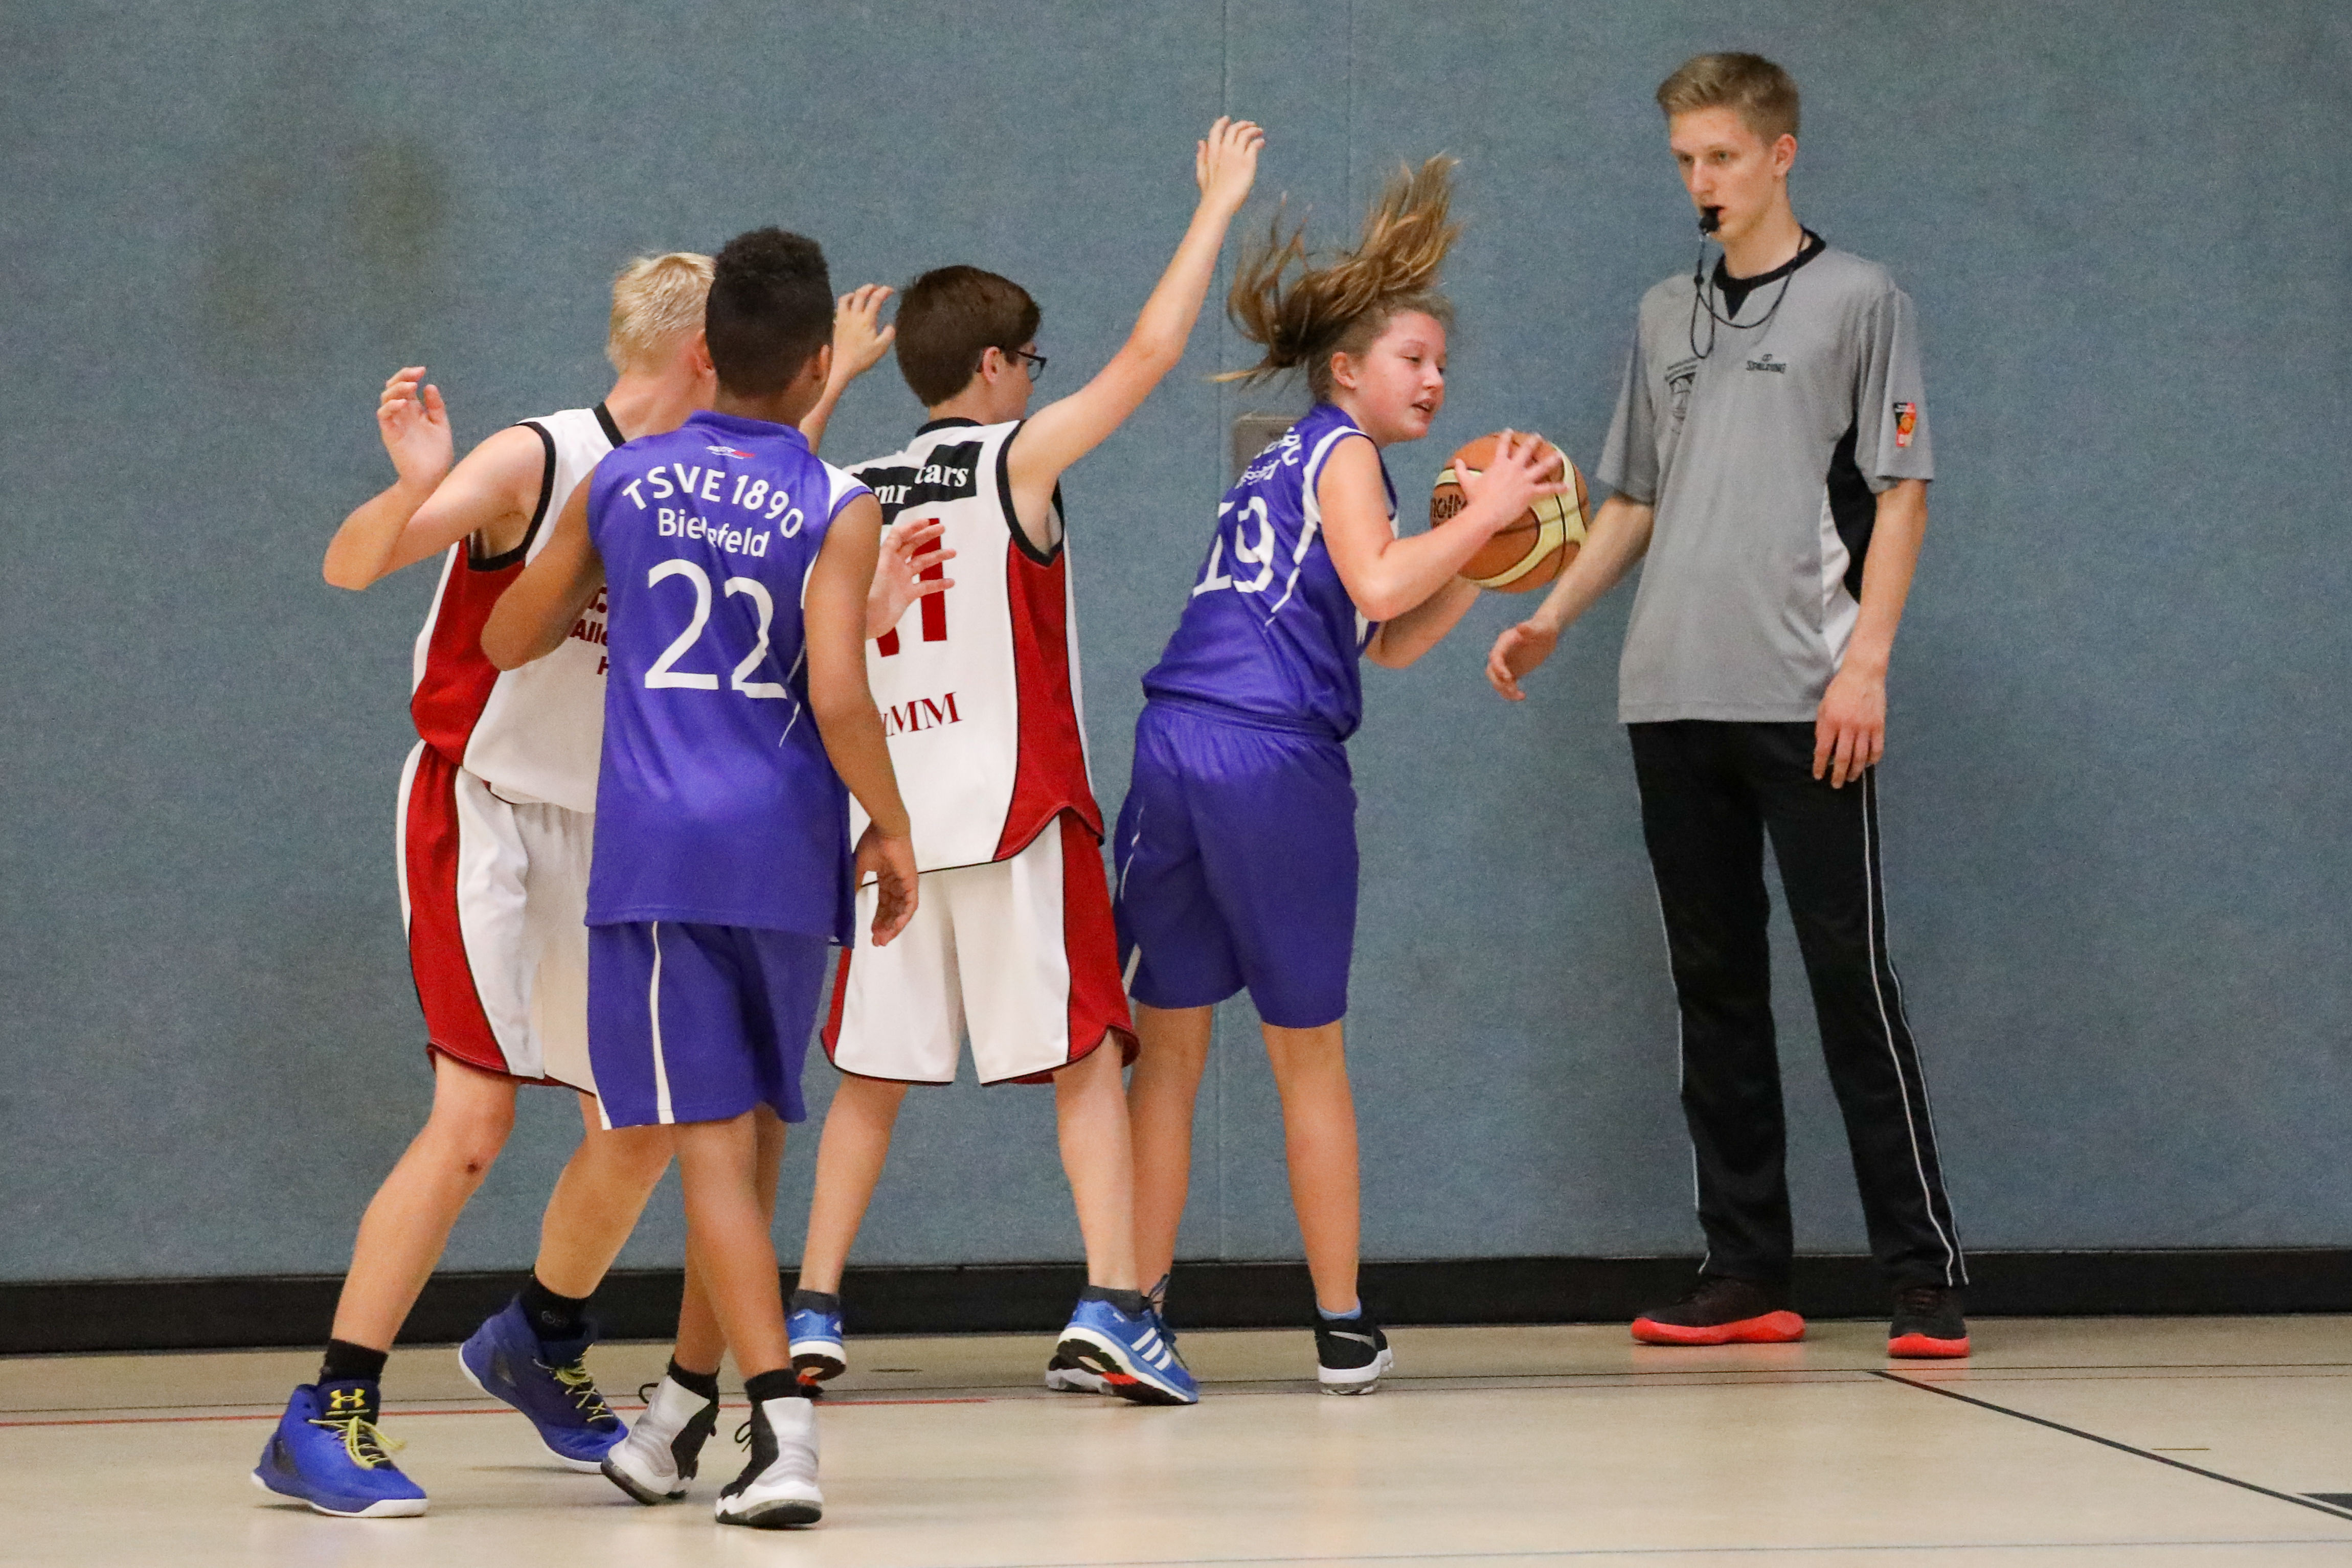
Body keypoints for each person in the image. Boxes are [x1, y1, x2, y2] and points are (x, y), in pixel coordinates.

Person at [252, 256, 913, 1521]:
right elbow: (348, 567)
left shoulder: (698, 477)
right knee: (476, 1118)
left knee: (646, 1123)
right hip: (487, 807)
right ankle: (326, 1408)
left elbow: (780, 487)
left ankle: (539, 1335)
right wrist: (414, 488)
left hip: (616, 827)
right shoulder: (544, 457)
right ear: (707, 356)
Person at [780, 117, 1265, 1411]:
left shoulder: (853, 486)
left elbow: (776, 468)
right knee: (1084, 1057)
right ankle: (1113, 1303)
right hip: (1015, 811)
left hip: (888, 826)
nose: (1037, 383)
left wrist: (836, 377)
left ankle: (811, 1309)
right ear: (993, 366)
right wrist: (1214, 206)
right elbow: (1150, 355)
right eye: (1030, 362)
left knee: (870, 1077)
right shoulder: (1014, 459)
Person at [1485, 53, 1966, 1358]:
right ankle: (1744, 1268)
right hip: (1668, 696)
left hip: (1806, 695)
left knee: (1846, 978)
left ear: (1778, 154)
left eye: (1720, 157)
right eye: (1683, 161)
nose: (1699, 182)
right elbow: (1632, 495)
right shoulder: (1661, 314)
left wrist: (1864, 663)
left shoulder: (1861, 300)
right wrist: (1552, 614)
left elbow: (1902, 493)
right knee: (1712, 988)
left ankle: (1921, 1272)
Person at [484, 226, 918, 1528]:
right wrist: (892, 827)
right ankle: (678, 1410)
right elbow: (838, 694)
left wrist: (577, 571)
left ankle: (782, 1430)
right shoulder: (838, 504)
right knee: (753, 1134)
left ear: (703, 354)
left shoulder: (623, 481)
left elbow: (509, 635)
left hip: (663, 853)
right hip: (786, 846)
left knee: (710, 1146)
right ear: (819, 365)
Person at [1115, 158, 1572, 1392]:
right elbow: (1379, 581)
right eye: (1412, 358)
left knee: (1168, 1048)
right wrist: (1489, 509)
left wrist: (1484, 553)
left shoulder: (1286, 461)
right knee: (1304, 1050)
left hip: (1174, 740)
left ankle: (1128, 1312)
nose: (1433, 381)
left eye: (1439, 364)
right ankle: (1339, 1324)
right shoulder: (1351, 456)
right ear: (1346, 371)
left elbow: (1389, 632)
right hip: (1269, 759)